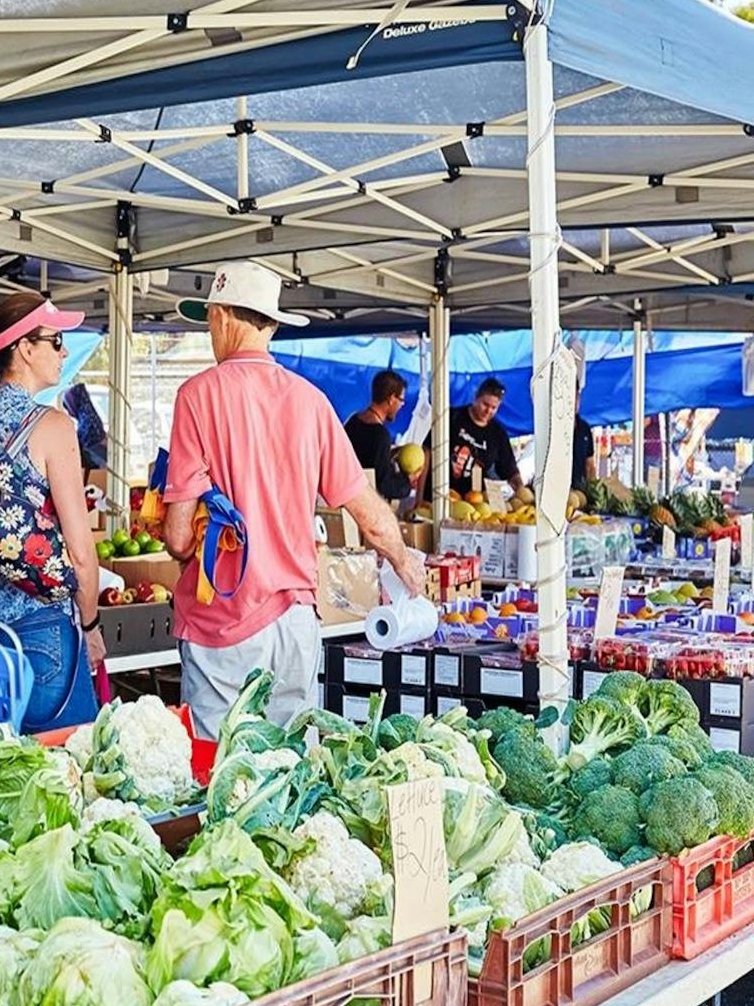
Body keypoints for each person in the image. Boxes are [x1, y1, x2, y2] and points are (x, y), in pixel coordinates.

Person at [162, 261, 425, 735]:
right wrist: (405, 563)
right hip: (296, 624)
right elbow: (369, 513)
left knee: (221, 771)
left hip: (225, 622)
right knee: (288, 766)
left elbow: (179, 537)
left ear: (221, 317)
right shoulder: (311, 400)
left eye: (209, 320)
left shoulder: (196, 396)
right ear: (272, 324)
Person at [0, 292, 105, 731]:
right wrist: (92, 625)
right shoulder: (53, 426)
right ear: (25, 348)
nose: (64, 351)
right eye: (56, 340)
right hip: (44, 628)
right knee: (62, 775)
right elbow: (81, 553)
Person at [438, 377, 523, 496]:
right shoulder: (453, 417)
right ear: (476, 398)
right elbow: (427, 451)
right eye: (485, 404)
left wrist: (522, 491)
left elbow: (510, 470)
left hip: (476, 502)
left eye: (494, 408)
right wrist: (419, 498)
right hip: (440, 495)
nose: (488, 411)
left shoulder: (498, 434)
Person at [344, 369, 418, 501]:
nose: (401, 405)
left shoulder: (353, 422)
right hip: (364, 506)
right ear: (391, 399)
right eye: (401, 400)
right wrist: (407, 482)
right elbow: (383, 484)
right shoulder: (380, 435)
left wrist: (390, 454)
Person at [60, 382, 108, 471]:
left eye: (67, 406)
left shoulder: (88, 423)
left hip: (96, 466)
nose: (69, 411)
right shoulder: (90, 418)